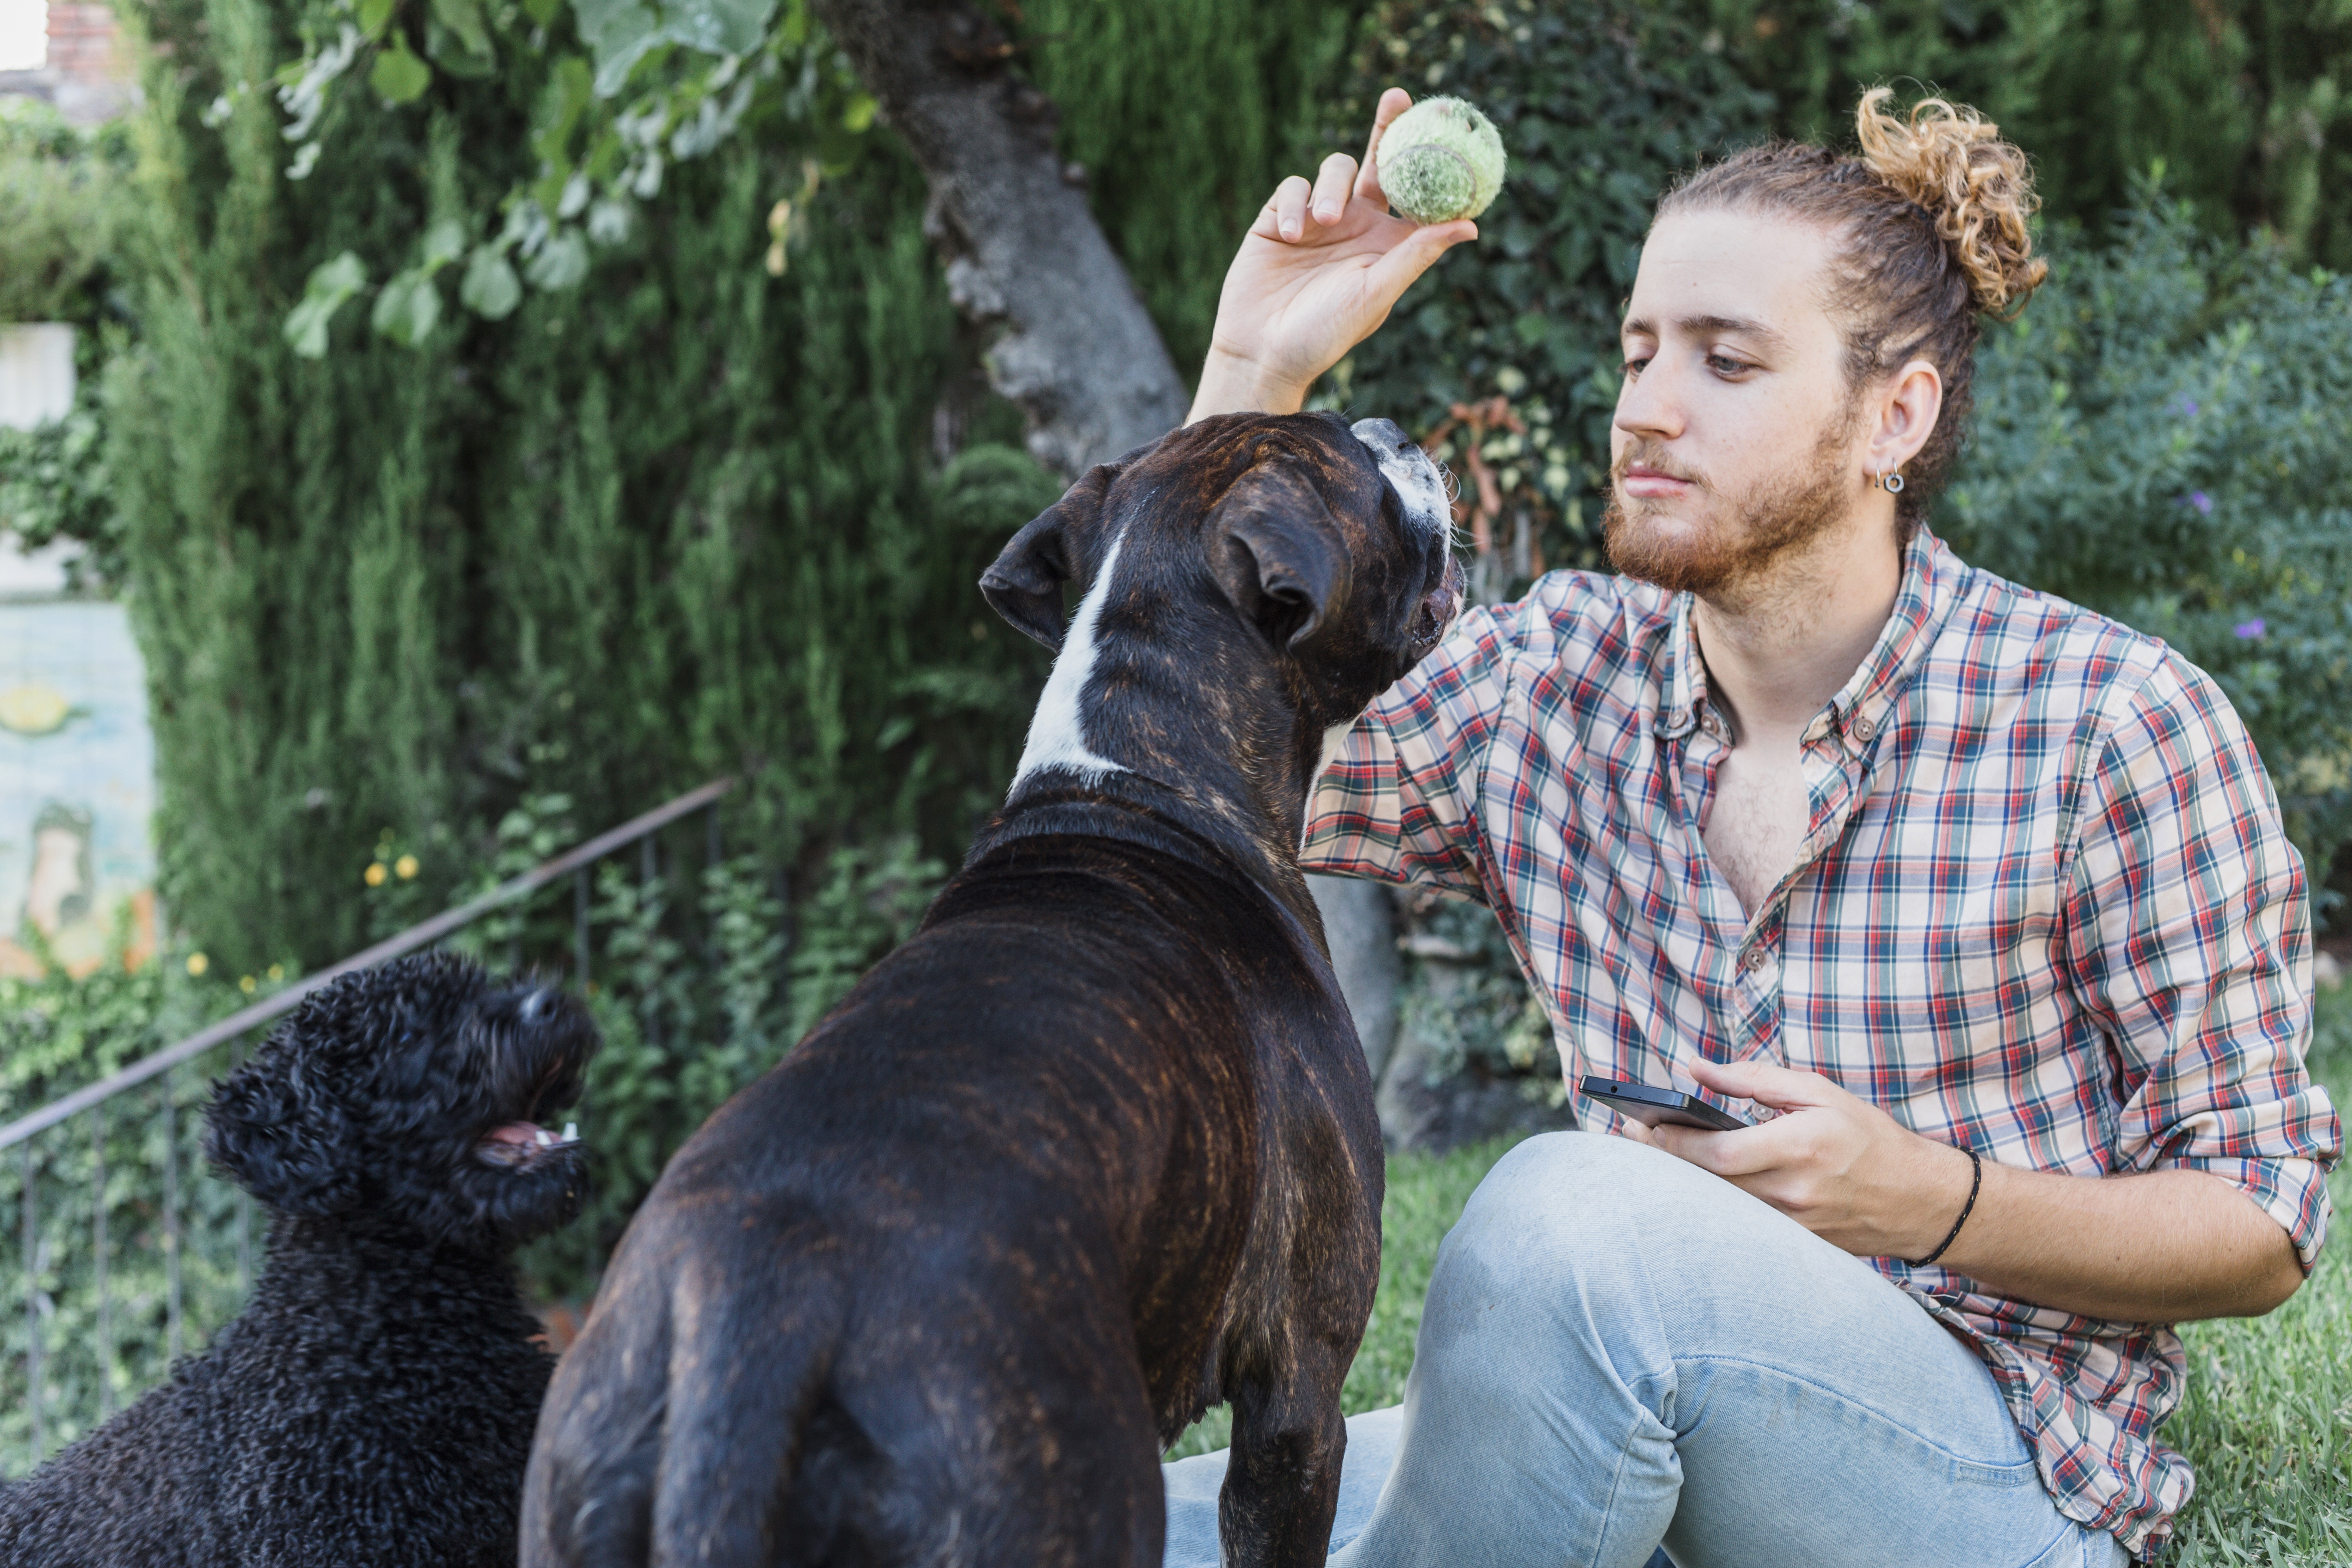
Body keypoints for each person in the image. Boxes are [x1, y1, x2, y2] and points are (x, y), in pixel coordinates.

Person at [1161, 87, 2340, 1567]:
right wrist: (1253, 370)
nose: (1647, 406)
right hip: (1636, 1398)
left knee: (1572, 1222)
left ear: (1892, 415)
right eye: (1640, 352)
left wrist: (1925, 1197)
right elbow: (1199, 736)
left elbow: (2260, 1218)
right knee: (1044, 1515)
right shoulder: (1548, 682)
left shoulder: (2109, 719)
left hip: (1990, 1470)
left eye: (1727, 362)